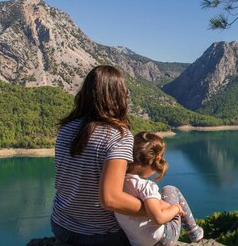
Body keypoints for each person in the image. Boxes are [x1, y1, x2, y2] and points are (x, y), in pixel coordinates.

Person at [51, 65, 144, 245]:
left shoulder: (66, 129)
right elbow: (110, 198)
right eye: (126, 93)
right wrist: (150, 208)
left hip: (61, 226)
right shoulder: (118, 136)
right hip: (101, 235)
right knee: (170, 218)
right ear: (117, 97)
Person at [115, 132, 204, 246]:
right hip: (162, 239)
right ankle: (194, 233)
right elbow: (158, 218)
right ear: (154, 160)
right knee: (170, 189)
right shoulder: (146, 186)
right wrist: (176, 209)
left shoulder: (117, 182)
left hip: (136, 242)